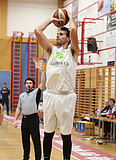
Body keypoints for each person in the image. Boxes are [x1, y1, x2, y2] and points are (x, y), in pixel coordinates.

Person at [34, 9, 79, 160]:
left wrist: (70, 17)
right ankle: (46, 158)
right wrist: (51, 19)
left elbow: (73, 29)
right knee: (48, 132)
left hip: (66, 97)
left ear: (67, 39)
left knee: (66, 134)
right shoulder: (51, 50)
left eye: (61, 34)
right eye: (57, 34)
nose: (57, 36)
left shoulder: (72, 52)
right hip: (50, 95)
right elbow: (38, 31)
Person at [13, 65, 45, 160]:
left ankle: (38, 158)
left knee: (36, 141)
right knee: (25, 141)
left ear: (33, 85)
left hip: (33, 119)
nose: (28, 84)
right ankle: (25, 158)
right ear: (25, 84)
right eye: (27, 83)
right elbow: (19, 108)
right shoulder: (21, 95)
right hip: (24, 120)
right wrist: (15, 120)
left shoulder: (36, 93)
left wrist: (42, 71)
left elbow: (43, 83)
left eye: (30, 83)